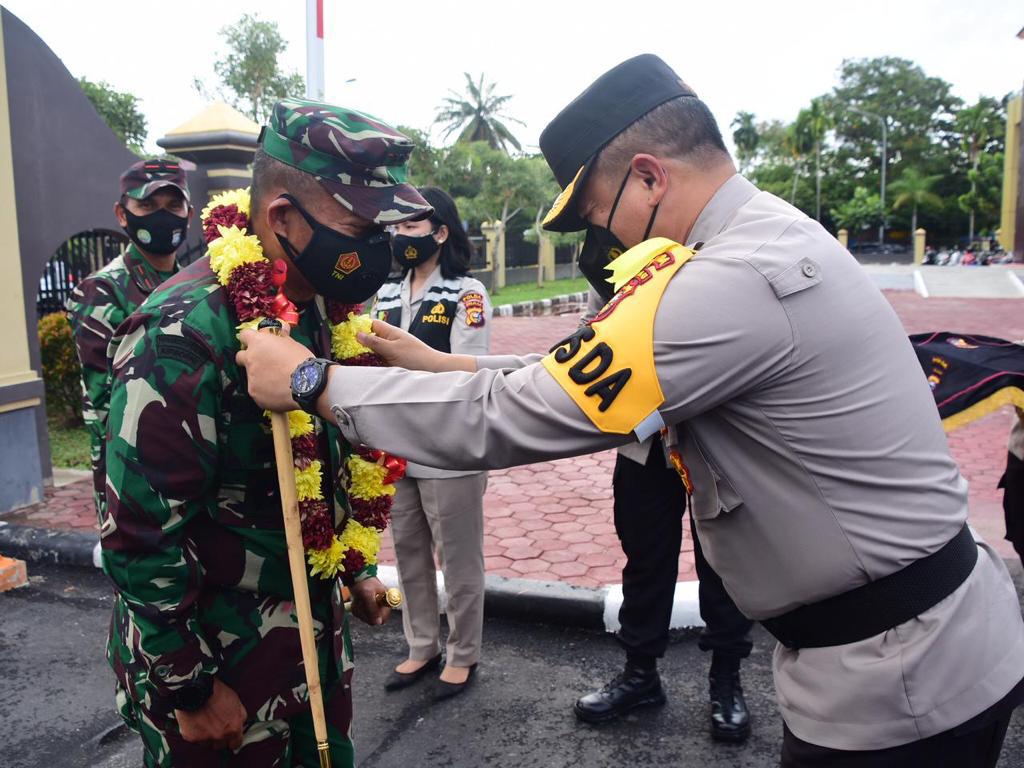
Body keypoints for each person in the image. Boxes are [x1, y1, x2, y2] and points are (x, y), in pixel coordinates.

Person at [237, 56, 1024, 766]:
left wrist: (314, 384)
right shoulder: (763, 238)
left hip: (898, 681)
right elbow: (584, 372)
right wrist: (447, 363)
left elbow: (514, 415)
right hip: (904, 651)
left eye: (596, 211)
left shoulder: (729, 280)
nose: (603, 237)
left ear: (648, 177)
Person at [101, 99, 432, 767]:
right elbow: (139, 534)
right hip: (220, 669)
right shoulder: (183, 333)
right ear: (281, 217)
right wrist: (190, 690)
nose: (378, 248)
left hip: (311, 651)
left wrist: (356, 567)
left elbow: (334, 459)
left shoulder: (324, 312)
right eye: (359, 226)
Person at [572, 295, 754, 742]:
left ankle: (726, 681)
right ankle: (640, 675)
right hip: (643, 440)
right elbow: (586, 332)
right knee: (645, 559)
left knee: (725, 562)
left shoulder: (718, 257)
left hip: (715, 438)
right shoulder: (624, 262)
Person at [373, 186, 492, 698]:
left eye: (411, 226)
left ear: (440, 233)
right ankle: (421, 645)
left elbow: (465, 373)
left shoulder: (466, 294)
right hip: (396, 445)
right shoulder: (386, 294)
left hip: (447, 445)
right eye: (395, 227)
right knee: (409, 553)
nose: (400, 236)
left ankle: (463, 653)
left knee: (459, 557)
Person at [66, 158, 191, 557]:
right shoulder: (102, 292)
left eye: (174, 206)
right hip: (136, 481)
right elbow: (108, 407)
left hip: (193, 467)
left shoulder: (196, 283)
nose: (162, 217)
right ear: (122, 213)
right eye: (148, 206)